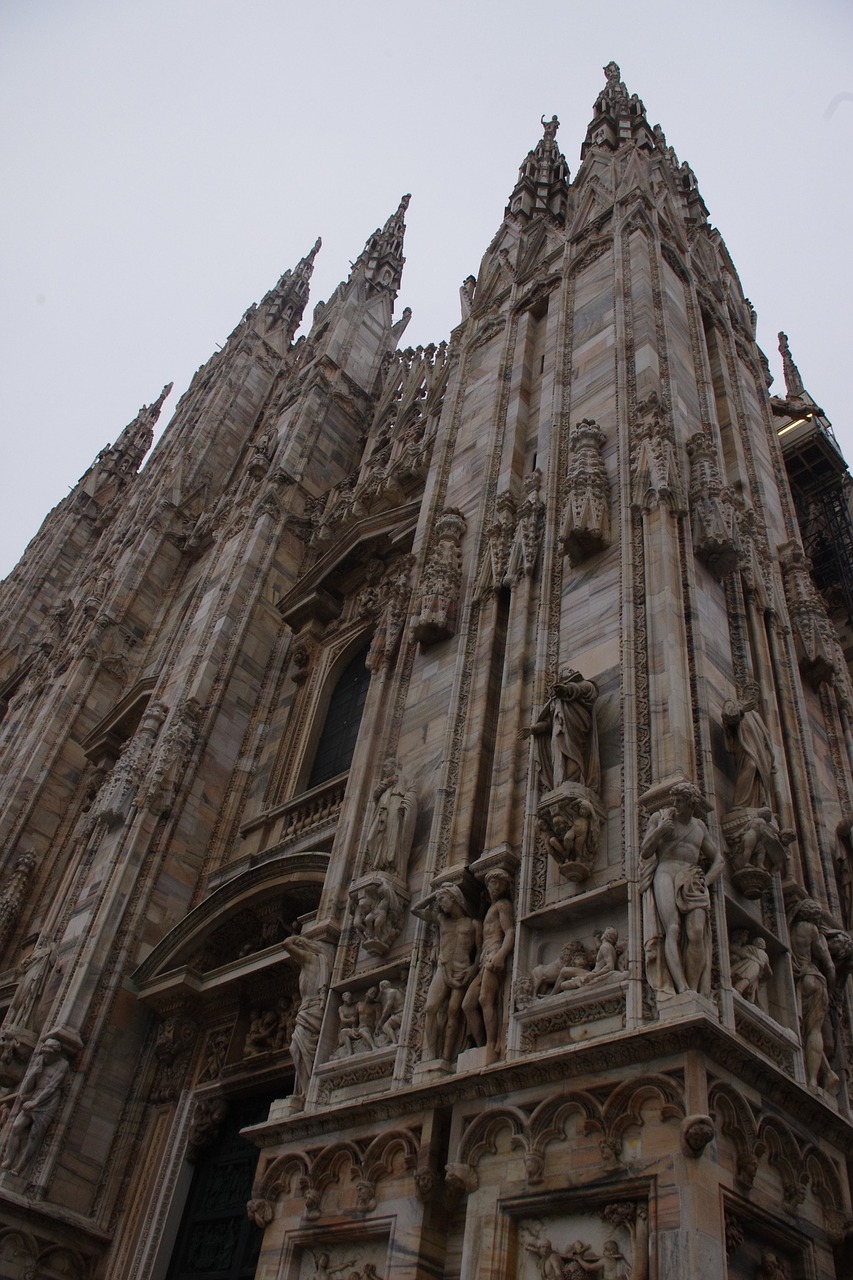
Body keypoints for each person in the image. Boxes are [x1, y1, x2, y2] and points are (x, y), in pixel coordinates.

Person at [640, 782, 724, 996]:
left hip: (692, 877)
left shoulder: (699, 827)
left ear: (692, 804)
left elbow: (718, 861)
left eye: (680, 801)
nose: (675, 805)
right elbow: (645, 851)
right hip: (666, 873)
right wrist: (660, 831)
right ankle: (681, 988)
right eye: (674, 800)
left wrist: (706, 880)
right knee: (673, 928)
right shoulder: (660, 818)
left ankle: (694, 989)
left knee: (696, 932)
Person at [413, 884, 480, 1062]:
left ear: (454, 898)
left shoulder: (473, 924)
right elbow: (415, 909)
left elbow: (480, 951)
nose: (440, 904)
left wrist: (473, 969)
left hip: (462, 969)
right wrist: (434, 895)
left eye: (443, 899)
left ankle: (446, 1057)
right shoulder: (442, 919)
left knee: (453, 1011)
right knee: (430, 1008)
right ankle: (432, 1055)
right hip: (443, 969)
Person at [462, 871, 515, 1056]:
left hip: (494, 952)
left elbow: (509, 932)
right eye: (492, 883)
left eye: (498, 884)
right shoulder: (490, 908)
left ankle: (492, 1046)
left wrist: (501, 955)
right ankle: (482, 1045)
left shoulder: (503, 905)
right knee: (468, 1004)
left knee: (486, 999)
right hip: (484, 956)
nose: (494, 888)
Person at [1, 1037, 69, 1176]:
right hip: (35, 1095)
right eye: (45, 1053)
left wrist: (35, 1103)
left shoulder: (63, 1065)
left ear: (56, 1053)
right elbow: (28, 1082)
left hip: (48, 1102)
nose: (46, 1056)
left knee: (34, 1135)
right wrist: (33, 1075)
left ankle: (19, 1168)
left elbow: (52, 1087)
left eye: (49, 1054)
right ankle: (8, 1160)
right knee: (16, 1127)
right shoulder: (41, 1060)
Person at [528, 670, 600, 794]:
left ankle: (574, 784)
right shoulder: (555, 699)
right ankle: (560, 785)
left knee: (573, 755)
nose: (565, 673)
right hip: (557, 733)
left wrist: (567, 690)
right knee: (558, 760)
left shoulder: (583, 685)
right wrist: (532, 729)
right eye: (563, 672)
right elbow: (548, 723)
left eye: (568, 671)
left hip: (574, 730)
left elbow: (585, 689)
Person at [363, 766, 417, 879]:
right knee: (372, 838)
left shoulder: (404, 778)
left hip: (396, 805)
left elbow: (412, 791)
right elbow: (375, 795)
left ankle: (391, 867)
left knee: (392, 836)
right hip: (383, 809)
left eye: (387, 767)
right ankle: (377, 863)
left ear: (393, 767)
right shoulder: (386, 782)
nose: (385, 770)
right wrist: (386, 783)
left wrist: (404, 805)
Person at [722, 699, 776, 810]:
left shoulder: (758, 717)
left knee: (758, 774)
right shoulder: (733, 702)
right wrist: (742, 710)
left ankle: (757, 804)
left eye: (755, 693)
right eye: (750, 690)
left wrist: (770, 757)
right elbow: (727, 715)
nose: (753, 694)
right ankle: (740, 803)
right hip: (744, 747)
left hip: (759, 753)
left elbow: (766, 738)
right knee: (751, 765)